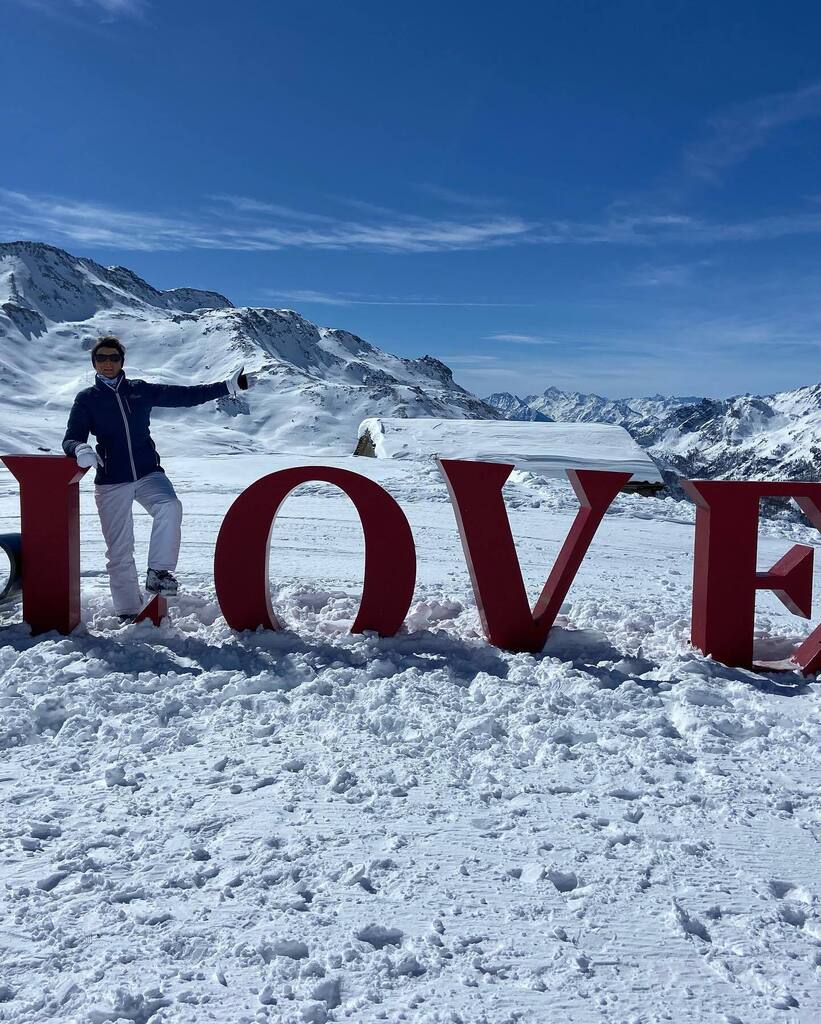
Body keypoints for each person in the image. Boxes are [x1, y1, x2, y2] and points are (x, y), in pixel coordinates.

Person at [62, 335, 253, 622]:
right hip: (112, 479)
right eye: (101, 358)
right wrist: (80, 448)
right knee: (119, 549)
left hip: (148, 472)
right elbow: (71, 437)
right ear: (94, 363)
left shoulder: (139, 391)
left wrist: (227, 386)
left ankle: (159, 572)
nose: (108, 363)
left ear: (122, 361)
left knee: (169, 506)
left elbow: (186, 396)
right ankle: (127, 610)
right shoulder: (88, 399)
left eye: (113, 358)